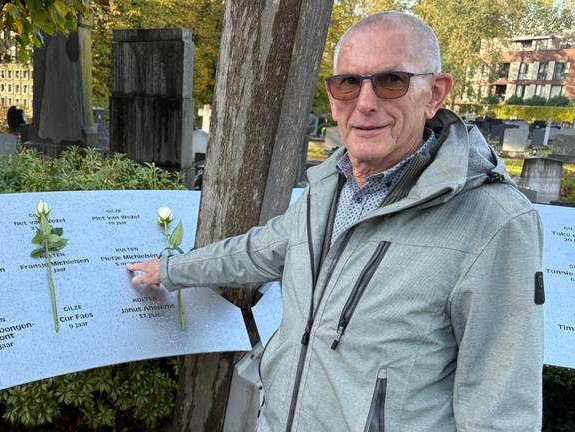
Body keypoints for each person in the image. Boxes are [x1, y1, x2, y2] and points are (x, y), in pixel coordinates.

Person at [127, 11, 543, 432]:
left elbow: (500, 411)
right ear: (331, 96)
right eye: (348, 83)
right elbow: (261, 250)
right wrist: (171, 269)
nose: (365, 103)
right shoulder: (328, 185)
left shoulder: (495, 222)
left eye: (391, 81)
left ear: (434, 93)